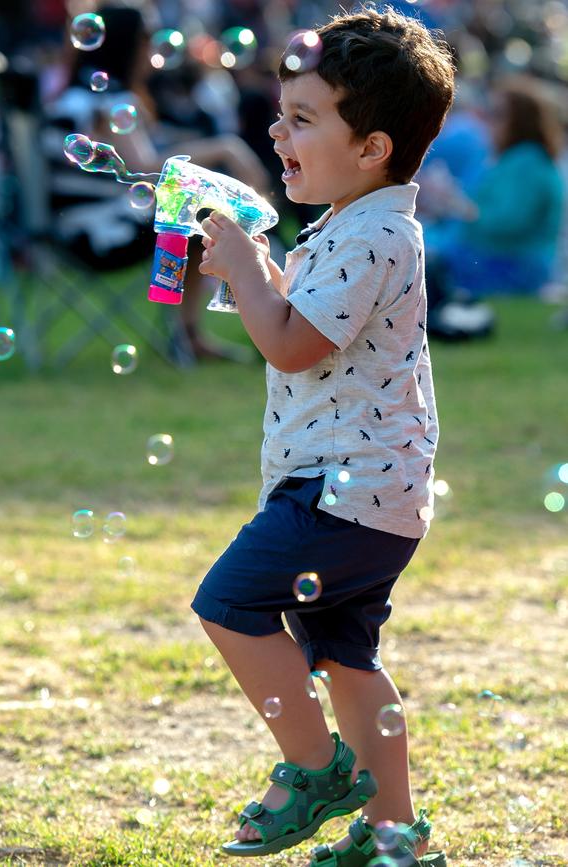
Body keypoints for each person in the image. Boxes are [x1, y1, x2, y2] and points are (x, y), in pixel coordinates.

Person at [191, 8, 454, 867]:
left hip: (344, 490)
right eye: (282, 114)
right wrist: (254, 265)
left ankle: (311, 767)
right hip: (368, 491)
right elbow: (300, 321)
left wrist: (243, 272)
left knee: (229, 602)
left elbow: (293, 343)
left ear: (373, 145)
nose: (278, 131)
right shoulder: (356, 221)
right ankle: (391, 839)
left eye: (304, 118)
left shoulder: (375, 232)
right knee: (346, 658)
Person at [43, 4, 271, 361]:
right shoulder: (108, 100)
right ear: (128, 47)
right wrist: (227, 148)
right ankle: (194, 335)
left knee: (203, 209)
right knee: (207, 213)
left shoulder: (76, 96)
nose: (153, 54)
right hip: (97, 233)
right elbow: (146, 165)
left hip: (66, 226)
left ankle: (190, 335)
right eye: (147, 43)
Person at [424, 74, 564, 301]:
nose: (487, 122)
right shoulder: (511, 159)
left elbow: (507, 223)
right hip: (499, 259)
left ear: (520, 120)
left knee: (416, 260)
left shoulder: (527, 160)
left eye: (497, 114)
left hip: (513, 265)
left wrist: (458, 206)